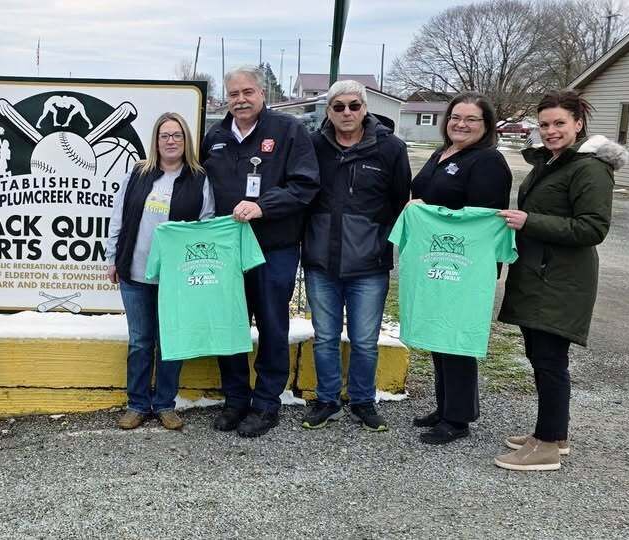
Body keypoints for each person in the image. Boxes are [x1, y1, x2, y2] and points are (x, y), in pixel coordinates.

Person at [495, 91, 625, 471]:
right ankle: (554, 433)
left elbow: (593, 228)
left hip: (561, 280)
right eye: (544, 124)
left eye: (559, 123)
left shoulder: (589, 168)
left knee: (550, 360)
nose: (551, 131)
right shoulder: (553, 162)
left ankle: (547, 444)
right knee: (541, 356)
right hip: (541, 274)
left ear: (577, 124)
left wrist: (529, 221)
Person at [200, 66, 320, 437]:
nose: (240, 100)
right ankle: (235, 399)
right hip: (227, 251)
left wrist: (263, 206)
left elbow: (305, 185)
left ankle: (267, 403)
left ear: (262, 93)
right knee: (230, 323)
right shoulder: (215, 137)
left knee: (272, 324)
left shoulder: (288, 131)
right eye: (233, 94)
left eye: (247, 92)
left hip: (273, 247)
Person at [300, 80, 411, 432]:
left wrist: (379, 240)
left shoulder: (390, 148)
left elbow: (400, 202)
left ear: (364, 108)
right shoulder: (313, 146)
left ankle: (363, 401)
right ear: (328, 111)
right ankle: (327, 400)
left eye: (353, 105)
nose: (346, 112)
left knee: (364, 340)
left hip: (369, 263)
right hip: (321, 261)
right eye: (338, 106)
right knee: (325, 338)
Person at [407, 92, 513, 445]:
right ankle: (445, 406)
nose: (461, 124)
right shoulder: (442, 152)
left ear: (486, 125)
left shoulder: (488, 161)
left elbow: (481, 218)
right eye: (455, 117)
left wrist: (427, 210)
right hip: (438, 258)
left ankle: (458, 418)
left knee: (456, 336)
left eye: (471, 119)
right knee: (440, 333)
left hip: (466, 264)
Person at [104, 112, 214, 431]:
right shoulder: (137, 174)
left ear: (186, 140)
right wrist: (112, 258)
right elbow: (118, 217)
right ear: (155, 141)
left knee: (170, 342)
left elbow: (205, 224)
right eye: (164, 135)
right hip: (135, 272)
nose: (171, 141)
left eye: (177, 135)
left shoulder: (198, 178)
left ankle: (165, 404)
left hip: (176, 278)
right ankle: (137, 404)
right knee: (140, 341)